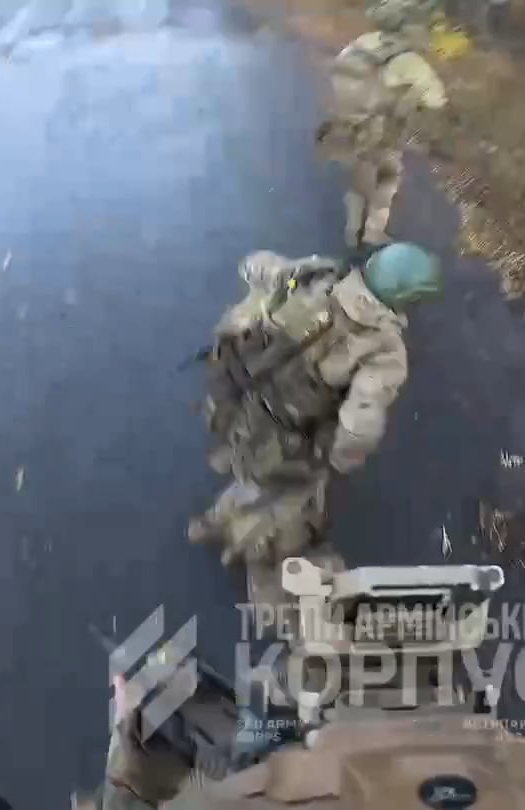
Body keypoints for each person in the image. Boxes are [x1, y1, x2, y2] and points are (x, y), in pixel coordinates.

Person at [187, 243, 442, 576]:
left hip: (240, 398)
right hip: (288, 433)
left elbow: (259, 266)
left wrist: (253, 275)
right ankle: (241, 539)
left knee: (248, 464)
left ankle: (209, 522)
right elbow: (358, 424)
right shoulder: (385, 350)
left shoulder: (320, 273)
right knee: (284, 492)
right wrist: (340, 460)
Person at [316, 4, 448, 247]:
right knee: (388, 177)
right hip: (382, 126)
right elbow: (437, 100)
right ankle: (373, 232)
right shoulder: (408, 60)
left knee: (360, 174)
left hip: (350, 120)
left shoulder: (362, 43)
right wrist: (413, 94)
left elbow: (337, 71)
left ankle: (352, 228)